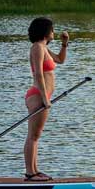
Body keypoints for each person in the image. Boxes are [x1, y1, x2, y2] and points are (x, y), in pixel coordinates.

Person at [23, 16, 69, 180]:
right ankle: (30, 173)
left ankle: (34, 171)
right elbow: (38, 74)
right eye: (52, 29)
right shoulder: (37, 48)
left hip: (42, 96)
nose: (54, 32)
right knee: (33, 136)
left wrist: (64, 43)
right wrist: (44, 98)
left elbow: (60, 60)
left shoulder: (43, 47)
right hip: (37, 96)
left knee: (36, 135)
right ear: (45, 31)